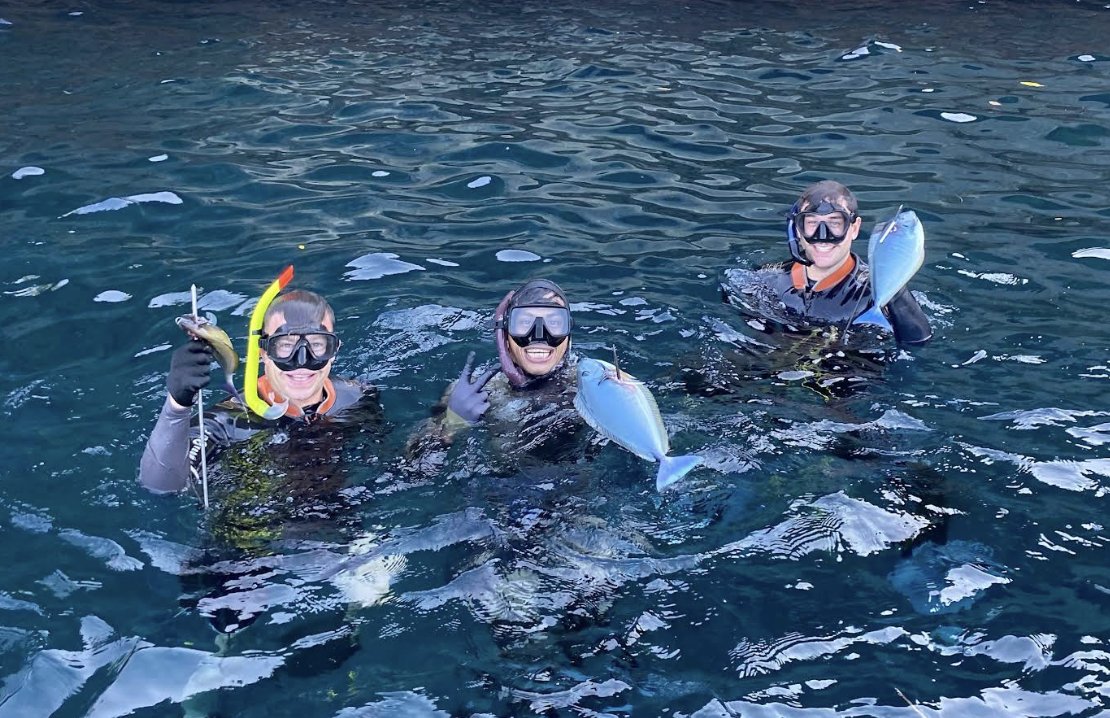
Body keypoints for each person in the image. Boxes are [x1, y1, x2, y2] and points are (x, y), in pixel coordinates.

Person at [139, 288, 379, 497]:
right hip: (253, 531)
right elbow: (161, 486)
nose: (302, 361)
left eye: (317, 345)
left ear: (334, 350)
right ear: (263, 353)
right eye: (285, 345)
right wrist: (177, 406)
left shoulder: (357, 396)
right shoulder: (226, 423)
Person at [405, 278, 582, 475]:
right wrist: (451, 425)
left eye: (554, 323)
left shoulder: (590, 383)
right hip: (500, 487)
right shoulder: (479, 390)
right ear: (505, 335)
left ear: (568, 335)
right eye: (524, 323)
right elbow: (414, 472)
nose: (538, 335)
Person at [722, 180, 932, 345]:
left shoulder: (874, 294)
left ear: (854, 228)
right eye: (812, 223)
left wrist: (894, 285)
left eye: (835, 223)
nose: (823, 236)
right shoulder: (767, 279)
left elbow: (918, 341)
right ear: (797, 229)